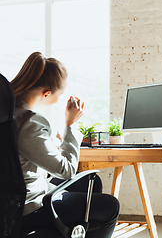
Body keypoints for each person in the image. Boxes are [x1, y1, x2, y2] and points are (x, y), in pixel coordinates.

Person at [11, 52, 119, 238]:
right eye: (59, 95)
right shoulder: (30, 123)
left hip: (11, 200)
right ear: (46, 94)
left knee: (90, 182)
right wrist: (70, 125)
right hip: (29, 208)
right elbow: (67, 170)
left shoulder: (9, 113)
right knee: (110, 206)